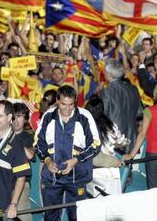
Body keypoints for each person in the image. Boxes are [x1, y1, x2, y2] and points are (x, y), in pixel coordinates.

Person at [36, 85, 101, 221]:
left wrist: (75, 160)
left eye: (71, 105)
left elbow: (95, 144)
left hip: (77, 177)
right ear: (57, 101)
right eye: (63, 104)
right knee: (51, 217)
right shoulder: (48, 116)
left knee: (77, 217)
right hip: (52, 177)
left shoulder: (84, 116)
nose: (67, 109)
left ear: (75, 101)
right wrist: (47, 160)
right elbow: (38, 141)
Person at [85, 96, 130, 195]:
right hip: (111, 171)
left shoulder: (84, 126)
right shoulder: (110, 125)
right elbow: (124, 141)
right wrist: (113, 144)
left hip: (93, 171)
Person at [100, 59, 142, 150]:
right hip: (131, 138)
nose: (104, 73)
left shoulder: (106, 92)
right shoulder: (133, 89)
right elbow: (139, 112)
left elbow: (102, 116)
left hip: (115, 139)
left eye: (105, 72)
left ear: (109, 74)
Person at [12, 102, 35, 221]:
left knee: (23, 217)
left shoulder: (29, 137)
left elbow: (31, 155)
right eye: (14, 116)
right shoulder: (1, 134)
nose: (16, 120)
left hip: (21, 182)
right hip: (2, 181)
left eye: (20, 116)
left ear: (26, 119)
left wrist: (13, 138)